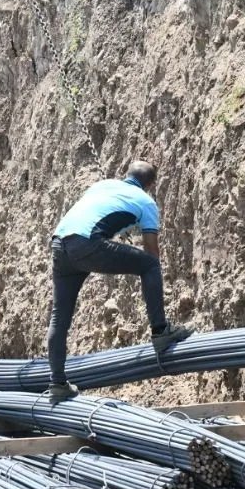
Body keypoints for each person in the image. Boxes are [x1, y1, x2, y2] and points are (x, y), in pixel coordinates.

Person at [47, 161, 192, 401]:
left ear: (127, 174)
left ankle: (57, 384)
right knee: (150, 265)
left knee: (59, 317)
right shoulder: (147, 202)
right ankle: (160, 330)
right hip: (86, 243)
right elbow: (151, 252)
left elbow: (98, 212)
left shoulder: (103, 185)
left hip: (60, 243)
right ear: (151, 184)